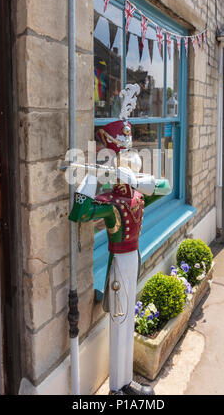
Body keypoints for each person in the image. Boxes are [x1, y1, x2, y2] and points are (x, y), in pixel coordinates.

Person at [67, 84, 170, 395]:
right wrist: (94, 176)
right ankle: (117, 387)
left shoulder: (136, 194)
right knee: (120, 323)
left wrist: (135, 179)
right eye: (121, 154)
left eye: (129, 152)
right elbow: (79, 211)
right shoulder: (111, 202)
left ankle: (126, 383)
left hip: (133, 260)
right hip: (119, 266)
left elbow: (164, 187)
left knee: (128, 324)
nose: (128, 157)